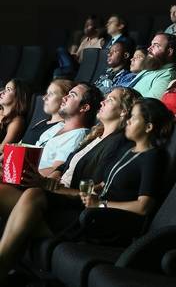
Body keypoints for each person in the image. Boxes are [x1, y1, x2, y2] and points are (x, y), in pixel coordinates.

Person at [0, 87, 148, 278]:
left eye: (110, 100)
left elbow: (93, 190)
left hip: (75, 210)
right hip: (55, 196)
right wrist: (53, 176)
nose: (102, 101)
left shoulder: (119, 144)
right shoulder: (94, 136)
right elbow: (64, 168)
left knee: (32, 194)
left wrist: (47, 185)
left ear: (123, 112)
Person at [36, 83, 103, 174]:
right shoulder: (59, 125)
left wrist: (22, 173)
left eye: (72, 95)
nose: (64, 98)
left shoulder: (78, 135)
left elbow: (56, 170)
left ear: (84, 107)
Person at [128, 33, 176, 99]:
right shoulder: (152, 66)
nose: (149, 48)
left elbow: (147, 106)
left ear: (169, 52)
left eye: (156, 45)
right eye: (151, 44)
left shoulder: (168, 75)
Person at [22, 79, 72, 145]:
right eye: (47, 93)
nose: (44, 98)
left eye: (51, 94)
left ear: (65, 99)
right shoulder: (41, 122)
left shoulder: (62, 129)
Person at [0, 79, 29, 146]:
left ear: (18, 96)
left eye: (8, 89)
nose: (2, 92)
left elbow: (3, 148)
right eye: (4, 88)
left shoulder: (17, 121)